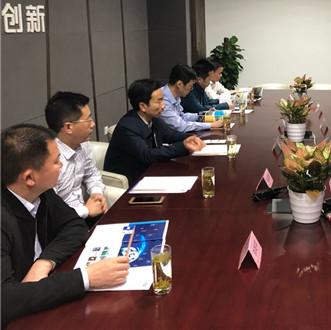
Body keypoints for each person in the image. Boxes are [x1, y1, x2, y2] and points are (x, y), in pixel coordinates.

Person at [1, 124, 130, 327]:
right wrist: (85, 278)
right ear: (29, 178)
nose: (61, 165)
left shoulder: (42, 192)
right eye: (56, 161)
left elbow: (75, 226)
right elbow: (5, 300)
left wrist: (44, 262)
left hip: (41, 296)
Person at [104, 79, 206, 186]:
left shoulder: (152, 119)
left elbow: (170, 135)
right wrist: (183, 146)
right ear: (143, 106)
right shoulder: (128, 127)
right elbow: (147, 155)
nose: (163, 105)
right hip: (131, 182)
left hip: (150, 173)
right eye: (159, 101)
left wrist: (191, 138)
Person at [44, 92, 107, 228]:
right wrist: (86, 211)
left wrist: (96, 192)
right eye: (88, 120)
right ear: (68, 127)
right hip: (62, 226)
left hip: (85, 215)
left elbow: (91, 173)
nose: (93, 124)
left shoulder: (83, 144)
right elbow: (50, 212)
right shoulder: (49, 160)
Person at [159, 64, 224, 134]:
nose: (191, 89)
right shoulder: (163, 99)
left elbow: (182, 116)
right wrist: (210, 125)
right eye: (190, 86)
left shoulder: (174, 95)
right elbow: (181, 126)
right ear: (179, 84)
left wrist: (202, 115)